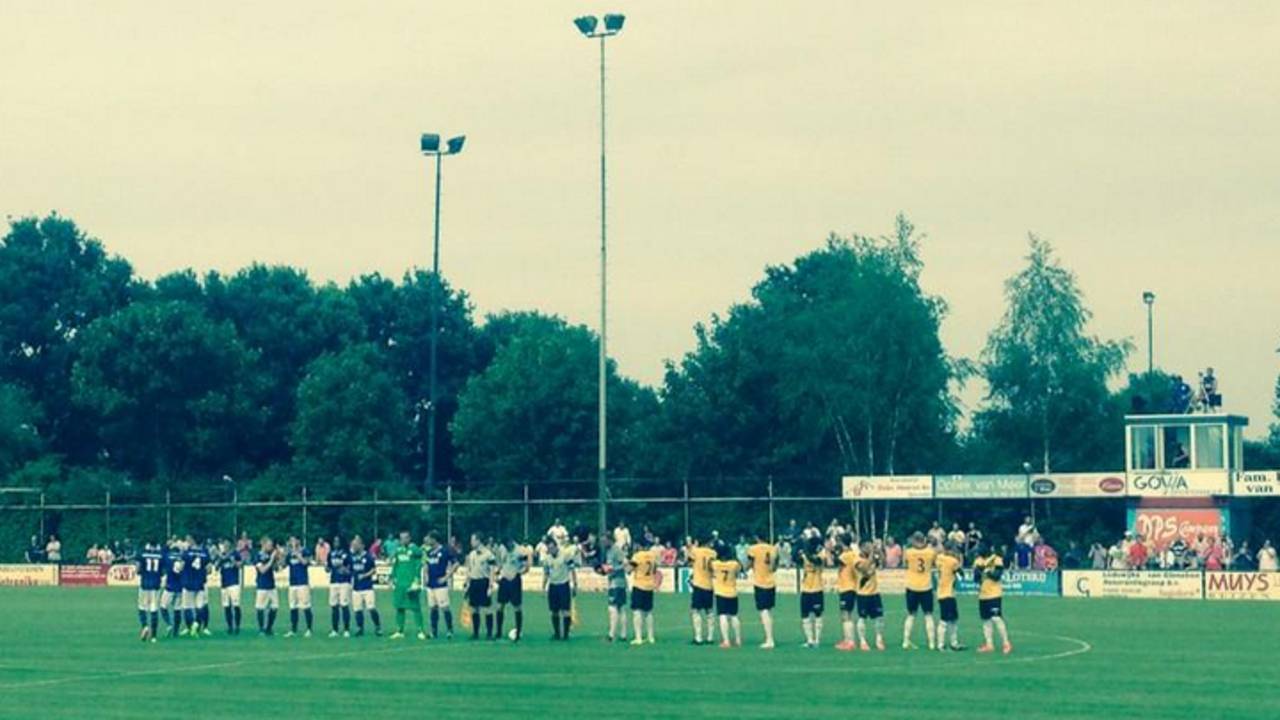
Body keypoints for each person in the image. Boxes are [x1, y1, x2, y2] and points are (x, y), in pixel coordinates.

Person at [973, 543, 1012, 654]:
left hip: (994, 594)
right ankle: (989, 644)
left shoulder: (996, 560)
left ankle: (1006, 643)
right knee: (985, 620)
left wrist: (988, 572)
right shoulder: (978, 561)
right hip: (983, 594)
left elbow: (997, 576)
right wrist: (977, 572)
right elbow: (976, 579)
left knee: (996, 618)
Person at [902, 531, 937, 650]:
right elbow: (935, 561)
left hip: (912, 585)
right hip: (926, 586)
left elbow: (904, 563)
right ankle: (932, 643)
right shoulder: (930, 552)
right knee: (928, 615)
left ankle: (906, 641)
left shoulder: (909, 552)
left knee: (911, 614)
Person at [389, 530, 426, 640]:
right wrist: (392, 577)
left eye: (405, 538)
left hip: (411, 583)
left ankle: (420, 630)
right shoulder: (398, 551)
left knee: (415, 607)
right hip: (400, 583)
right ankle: (400, 630)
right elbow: (395, 565)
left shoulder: (414, 549)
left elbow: (421, 561)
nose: (403, 540)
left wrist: (417, 579)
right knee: (399, 607)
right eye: (401, 538)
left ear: (409, 538)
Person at [745, 532, 779, 649]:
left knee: (763, 611)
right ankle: (770, 637)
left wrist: (745, 569)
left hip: (760, 582)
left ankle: (769, 639)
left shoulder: (753, 549)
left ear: (757, 537)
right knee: (768, 611)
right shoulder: (773, 548)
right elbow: (774, 567)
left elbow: (749, 564)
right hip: (771, 582)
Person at [542, 537, 576, 640]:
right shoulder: (547, 559)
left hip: (563, 584)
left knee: (566, 610)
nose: (551, 550)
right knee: (554, 611)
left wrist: (575, 584)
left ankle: (565, 634)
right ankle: (556, 633)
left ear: (556, 546)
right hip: (553, 585)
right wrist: (543, 586)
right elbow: (546, 573)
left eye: (552, 548)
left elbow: (572, 570)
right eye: (549, 548)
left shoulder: (565, 555)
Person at [464, 534, 497, 640]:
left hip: (484, 582)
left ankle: (489, 633)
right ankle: (475, 633)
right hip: (474, 582)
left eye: (472, 540)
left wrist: (490, 586)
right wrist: (467, 583)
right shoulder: (471, 554)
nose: (471, 542)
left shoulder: (489, 555)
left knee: (487, 608)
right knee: (474, 608)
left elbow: (492, 571)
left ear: (478, 540)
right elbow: (469, 569)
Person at [496, 538, 530, 642]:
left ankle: (518, 632)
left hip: (515, 580)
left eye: (508, 545)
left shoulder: (520, 551)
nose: (507, 548)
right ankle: (498, 632)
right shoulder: (502, 549)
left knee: (517, 607)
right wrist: (498, 573)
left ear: (512, 542)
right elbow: (500, 562)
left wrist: (519, 573)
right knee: (500, 606)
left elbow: (526, 566)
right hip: (504, 580)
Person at [686, 536, 718, 645]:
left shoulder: (696, 551)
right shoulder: (713, 553)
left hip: (699, 584)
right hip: (709, 584)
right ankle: (710, 637)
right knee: (709, 612)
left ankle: (698, 637)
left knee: (696, 611)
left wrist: (690, 545)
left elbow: (689, 561)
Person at [854, 541, 885, 651]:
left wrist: (879, 550)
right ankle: (862, 640)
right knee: (862, 617)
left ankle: (879, 638)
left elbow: (883, 562)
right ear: (862, 547)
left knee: (879, 617)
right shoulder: (857, 559)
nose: (869, 548)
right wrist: (872, 554)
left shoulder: (872, 557)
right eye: (867, 546)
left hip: (874, 592)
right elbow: (864, 568)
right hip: (862, 593)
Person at [423, 532, 456, 639]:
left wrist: (446, 577)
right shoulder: (429, 552)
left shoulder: (445, 551)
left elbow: (456, 563)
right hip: (430, 584)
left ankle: (450, 630)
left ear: (434, 539)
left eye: (429, 539)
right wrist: (426, 576)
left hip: (440, 584)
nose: (427, 541)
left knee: (445, 607)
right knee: (433, 608)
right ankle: (433, 631)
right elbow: (427, 565)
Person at [349, 536, 382, 637]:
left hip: (367, 587)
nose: (354, 546)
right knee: (357, 609)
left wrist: (364, 575)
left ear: (361, 545)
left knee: (371, 608)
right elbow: (349, 568)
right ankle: (360, 628)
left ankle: (378, 627)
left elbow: (373, 569)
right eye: (353, 544)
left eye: (356, 544)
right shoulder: (352, 557)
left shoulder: (368, 556)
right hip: (356, 587)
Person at [711, 543, 742, 648]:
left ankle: (726, 641)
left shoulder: (716, 564)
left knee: (722, 616)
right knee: (734, 616)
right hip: (732, 592)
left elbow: (710, 568)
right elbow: (739, 570)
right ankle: (738, 639)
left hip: (721, 592)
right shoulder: (734, 564)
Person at [629, 539, 660, 645]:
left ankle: (638, 637)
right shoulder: (653, 556)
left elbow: (629, 570)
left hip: (639, 585)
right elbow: (655, 570)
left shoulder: (637, 556)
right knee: (648, 612)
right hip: (649, 585)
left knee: (637, 611)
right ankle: (650, 637)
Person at [935, 542, 964, 651]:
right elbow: (960, 574)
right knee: (948, 619)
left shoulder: (939, 558)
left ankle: (951, 643)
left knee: (951, 618)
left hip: (941, 592)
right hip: (948, 593)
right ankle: (944, 644)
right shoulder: (953, 561)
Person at [180, 535, 211, 637]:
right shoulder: (205, 553)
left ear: (193, 541)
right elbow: (209, 570)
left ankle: (191, 625)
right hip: (200, 583)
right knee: (200, 606)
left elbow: (180, 567)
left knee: (187, 606)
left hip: (188, 583)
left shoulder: (186, 553)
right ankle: (197, 625)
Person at [798, 537, 826, 649]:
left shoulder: (821, 555)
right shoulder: (804, 555)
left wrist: (806, 553)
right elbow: (796, 559)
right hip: (805, 589)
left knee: (818, 615)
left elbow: (816, 561)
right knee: (805, 615)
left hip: (817, 588)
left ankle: (817, 639)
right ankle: (809, 640)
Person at [283, 536, 313, 638]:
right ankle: (293, 629)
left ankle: (309, 629)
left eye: (294, 540)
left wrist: (298, 554)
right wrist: (284, 555)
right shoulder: (290, 553)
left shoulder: (305, 551)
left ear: (298, 541)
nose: (292, 542)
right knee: (293, 606)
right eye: (291, 541)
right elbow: (283, 565)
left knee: (305, 605)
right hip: (293, 583)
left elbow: (305, 562)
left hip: (302, 582)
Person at [834, 534, 860, 651]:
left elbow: (834, 561)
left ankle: (850, 641)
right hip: (851, 586)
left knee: (846, 615)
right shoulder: (853, 554)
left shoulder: (846, 555)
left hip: (847, 587)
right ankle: (847, 639)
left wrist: (831, 551)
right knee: (846, 615)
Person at [603, 536, 629, 642]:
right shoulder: (609, 551)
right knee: (621, 608)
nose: (603, 543)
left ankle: (611, 635)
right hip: (616, 582)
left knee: (613, 608)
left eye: (605, 540)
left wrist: (613, 570)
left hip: (617, 583)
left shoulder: (616, 550)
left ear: (610, 540)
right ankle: (623, 635)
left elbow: (625, 563)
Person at [136, 541, 163, 642]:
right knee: (154, 609)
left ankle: (145, 626)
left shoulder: (142, 553)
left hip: (145, 584)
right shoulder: (160, 555)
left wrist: (140, 572)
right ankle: (154, 636)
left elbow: (138, 569)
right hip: (156, 584)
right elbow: (163, 571)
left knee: (142, 607)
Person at [253, 536, 281, 636]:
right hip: (262, 585)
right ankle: (261, 629)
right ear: (263, 544)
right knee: (260, 607)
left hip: (271, 585)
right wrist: (271, 559)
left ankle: (269, 628)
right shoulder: (257, 556)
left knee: (275, 607)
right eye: (269, 545)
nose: (271, 547)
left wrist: (276, 560)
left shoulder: (270, 555)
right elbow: (262, 570)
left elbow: (276, 569)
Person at [326, 535, 352, 638]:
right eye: (334, 541)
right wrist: (327, 569)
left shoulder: (346, 554)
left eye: (337, 541)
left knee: (344, 605)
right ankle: (334, 629)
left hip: (344, 582)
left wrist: (345, 570)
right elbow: (328, 566)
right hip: (334, 581)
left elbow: (350, 568)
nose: (335, 543)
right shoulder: (331, 554)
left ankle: (346, 629)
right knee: (334, 606)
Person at [216, 540, 243, 635]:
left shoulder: (235, 553)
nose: (225, 547)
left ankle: (237, 626)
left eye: (227, 545)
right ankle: (230, 627)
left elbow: (240, 565)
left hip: (234, 583)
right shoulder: (221, 556)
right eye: (224, 545)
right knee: (226, 606)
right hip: (224, 584)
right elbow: (216, 567)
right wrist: (220, 559)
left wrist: (233, 560)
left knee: (236, 605)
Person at [161, 541, 186, 637]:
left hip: (170, 586)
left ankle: (169, 624)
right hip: (180, 587)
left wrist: (166, 545)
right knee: (177, 609)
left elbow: (162, 554)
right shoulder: (182, 558)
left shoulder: (168, 556)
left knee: (163, 607)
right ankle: (176, 631)